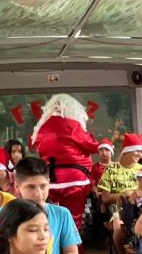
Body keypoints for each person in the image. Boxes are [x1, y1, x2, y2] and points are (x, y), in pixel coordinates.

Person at [0, 157, 81, 254]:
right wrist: (8, 231)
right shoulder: (7, 212)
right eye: (31, 187)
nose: (38, 194)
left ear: (49, 183)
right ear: (17, 187)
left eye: (43, 186)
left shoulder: (62, 214)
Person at [31, 94, 99, 230]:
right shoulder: (72, 125)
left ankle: (54, 243)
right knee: (73, 222)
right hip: (74, 179)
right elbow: (93, 146)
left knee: (52, 222)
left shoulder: (42, 128)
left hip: (50, 180)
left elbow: (39, 150)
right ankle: (72, 244)